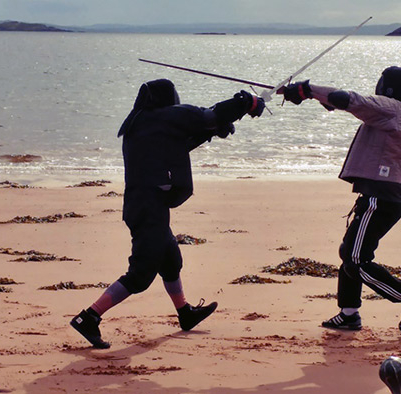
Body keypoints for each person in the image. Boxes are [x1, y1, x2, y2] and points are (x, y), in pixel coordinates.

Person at [70, 79, 265, 348]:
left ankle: (185, 313)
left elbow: (180, 141)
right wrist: (245, 103)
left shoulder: (142, 123)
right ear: (165, 98)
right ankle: (88, 317)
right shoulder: (161, 117)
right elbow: (207, 115)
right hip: (148, 207)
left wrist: (214, 129)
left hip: (147, 205)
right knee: (140, 274)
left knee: (171, 259)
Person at [278, 66, 401, 331]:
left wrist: (307, 90)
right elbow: (349, 105)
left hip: (380, 199)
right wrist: (314, 97)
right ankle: (349, 314)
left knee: (357, 260)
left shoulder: (392, 108)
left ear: (389, 87)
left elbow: (350, 100)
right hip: (385, 197)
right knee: (348, 252)